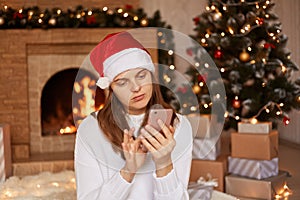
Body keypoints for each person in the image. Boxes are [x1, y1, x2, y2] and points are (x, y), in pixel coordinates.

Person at [74, 31, 193, 200]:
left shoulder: (180, 126)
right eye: (122, 82)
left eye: (141, 75)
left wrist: (164, 163)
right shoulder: (90, 128)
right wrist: (128, 171)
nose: (136, 87)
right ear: (111, 88)